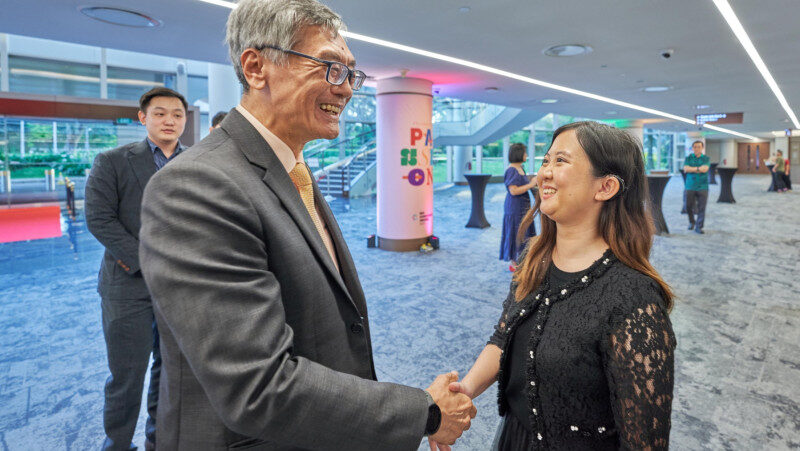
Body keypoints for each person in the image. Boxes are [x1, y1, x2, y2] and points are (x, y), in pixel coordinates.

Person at [138, 1, 475, 449]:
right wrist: (425, 413)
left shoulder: (291, 167)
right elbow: (258, 387)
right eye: (330, 67)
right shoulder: (197, 185)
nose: (346, 88)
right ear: (256, 68)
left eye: (350, 73)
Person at [432, 121, 676, 450]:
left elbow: (644, 442)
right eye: (545, 160)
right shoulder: (535, 257)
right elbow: (504, 336)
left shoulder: (633, 297)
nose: (544, 173)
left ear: (605, 187)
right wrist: (466, 389)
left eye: (560, 161)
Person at [85, 86, 188, 451]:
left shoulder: (198, 162)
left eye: (177, 114)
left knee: (170, 370)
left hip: (180, 287)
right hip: (128, 284)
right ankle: (117, 443)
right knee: (127, 375)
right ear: (143, 118)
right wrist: (149, 261)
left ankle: (158, 439)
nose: (169, 121)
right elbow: (99, 218)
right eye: (160, 113)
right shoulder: (112, 160)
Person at [500, 143, 537, 272]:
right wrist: (531, 184)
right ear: (519, 154)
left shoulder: (520, 168)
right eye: (525, 152)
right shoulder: (512, 170)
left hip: (523, 206)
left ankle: (522, 262)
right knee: (517, 233)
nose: (526, 155)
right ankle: (515, 264)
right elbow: (513, 191)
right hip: (515, 207)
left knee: (524, 232)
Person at [683, 140, 710, 234]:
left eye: (699, 147)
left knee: (702, 207)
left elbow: (705, 169)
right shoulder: (688, 158)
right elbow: (686, 169)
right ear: (692, 148)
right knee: (687, 206)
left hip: (703, 186)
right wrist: (699, 169)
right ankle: (692, 222)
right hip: (690, 186)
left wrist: (692, 169)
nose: (697, 148)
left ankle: (699, 227)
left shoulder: (706, 158)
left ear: (702, 148)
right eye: (695, 147)